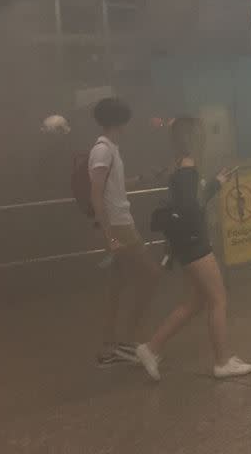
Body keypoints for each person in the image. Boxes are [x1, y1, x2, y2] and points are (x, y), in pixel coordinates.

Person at [135, 117, 251, 381]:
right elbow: (190, 208)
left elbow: (188, 201)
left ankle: (151, 348)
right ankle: (222, 362)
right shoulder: (188, 168)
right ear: (195, 139)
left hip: (184, 244)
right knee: (218, 299)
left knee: (196, 301)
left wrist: (214, 183)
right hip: (195, 244)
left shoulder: (178, 165)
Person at [89, 98, 162, 367]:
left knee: (117, 286)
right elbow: (95, 193)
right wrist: (109, 234)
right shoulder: (103, 151)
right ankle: (128, 340)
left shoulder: (110, 150)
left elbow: (113, 186)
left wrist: (143, 179)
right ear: (121, 122)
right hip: (118, 225)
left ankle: (111, 346)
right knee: (152, 276)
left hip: (120, 223)